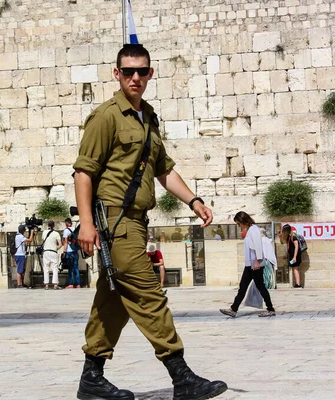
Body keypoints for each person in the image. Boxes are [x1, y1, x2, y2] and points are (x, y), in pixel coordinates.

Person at [72, 44, 227, 400]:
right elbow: (83, 172)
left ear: (151, 73)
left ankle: (91, 378)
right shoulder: (106, 117)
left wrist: (194, 200)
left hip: (137, 223)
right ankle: (181, 375)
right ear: (117, 74)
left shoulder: (148, 117)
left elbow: (163, 169)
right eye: (128, 72)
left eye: (142, 71)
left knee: (112, 302)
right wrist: (85, 224)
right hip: (116, 223)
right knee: (149, 296)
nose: (135, 78)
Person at [220, 211, 276, 319]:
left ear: (243, 221)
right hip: (249, 264)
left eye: (238, 223)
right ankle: (233, 309)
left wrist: (256, 262)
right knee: (243, 287)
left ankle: (270, 309)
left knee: (261, 287)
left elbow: (258, 246)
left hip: (255, 264)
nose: (239, 226)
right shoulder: (250, 230)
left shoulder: (254, 229)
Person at [42, 220, 62, 290]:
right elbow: (60, 245)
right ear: (54, 226)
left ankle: (46, 285)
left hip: (46, 252)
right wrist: (55, 248)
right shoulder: (56, 234)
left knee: (46, 268)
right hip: (53, 252)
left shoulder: (44, 233)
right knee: (55, 268)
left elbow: (44, 242)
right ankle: (55, 285)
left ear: (48, 225)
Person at [281, 224, 303, 289]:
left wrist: (294, 257)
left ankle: (298, 284)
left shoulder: (294, 237)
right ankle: (296, 283)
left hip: (295, 256)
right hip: (292, 256)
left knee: (295, 269)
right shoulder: (289, 238)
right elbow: (288, 247)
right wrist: (286, 255)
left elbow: (296, 247)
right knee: (293, 269)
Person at [14, 224, 35, 288]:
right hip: (20, 254)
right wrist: (31, 233)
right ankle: (19, 284)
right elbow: (30, 240)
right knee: (19, 270)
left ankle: (20, 283)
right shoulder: (20, 237)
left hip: (19, 254)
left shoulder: (18, 236)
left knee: (20, 270)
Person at [62, 217, 80, 289]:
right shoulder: (75, 230)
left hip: (69, 251)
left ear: (66, 224)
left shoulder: (66, 231)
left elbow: (65, 242)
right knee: (76, 267)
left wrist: (64, 251)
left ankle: (71, 283)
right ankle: (78, 284)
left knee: (70, 268)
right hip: (75, 250)